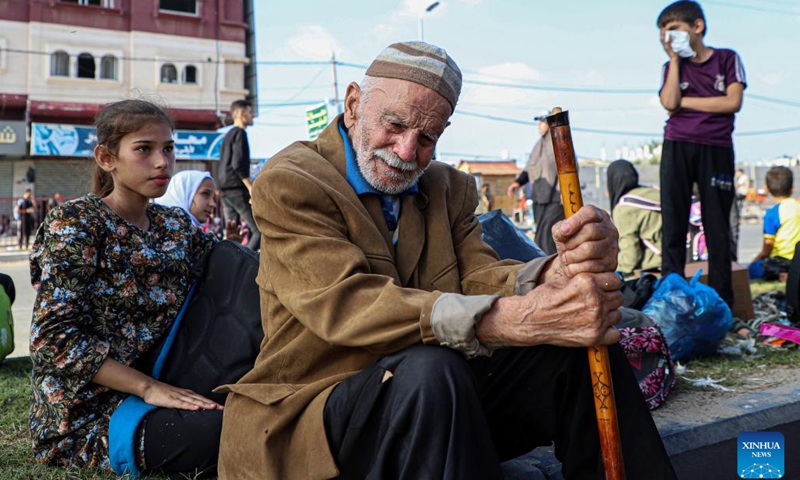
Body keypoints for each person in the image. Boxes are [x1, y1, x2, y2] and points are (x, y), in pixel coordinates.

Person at [218, 41, 676, 480]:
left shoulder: (447, 187)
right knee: (429, 369)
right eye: (394, 125)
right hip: (319, 412)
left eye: (427, 137)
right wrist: (508, 320)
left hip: (438, 406)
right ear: (354, 104)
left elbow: (478, 275)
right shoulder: (292, 181)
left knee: (574, 340)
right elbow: (346, 304)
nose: (406, 151)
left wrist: (555, 273)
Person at [29, 99, 225, 479]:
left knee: (267, 414)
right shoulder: (76, 223)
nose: (162, 162)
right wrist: (148, 388)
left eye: (168, 148)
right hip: (88, 415)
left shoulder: (175, 226)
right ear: (106, 158)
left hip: (171, 383)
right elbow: (52, 339)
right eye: (144, 149)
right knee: (232, 432)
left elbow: (230, 274)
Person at [657, 0, 746, 308]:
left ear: (697, 26)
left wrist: (687, 102)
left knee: (717, 226)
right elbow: (669, 103)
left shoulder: (726, 59)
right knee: (673, 222)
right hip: (677, 144)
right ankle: (671, 301)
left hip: (716, 147)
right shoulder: (670, 67)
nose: (669, 37)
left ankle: (723, 303)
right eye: (664, 33)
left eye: (675, 30)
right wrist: (676, 61)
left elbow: (732, 102)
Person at [507, 110, 564, 255]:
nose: (539, 125)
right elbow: (529, 168)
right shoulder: (538, 145)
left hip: (556, 199)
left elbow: (568, 167)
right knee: (541, 234)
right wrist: (517, 183)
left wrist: (565, 191)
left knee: (547, 235)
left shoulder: (558, 140)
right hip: (540, 198)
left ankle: (552, 267)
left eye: (542, 121)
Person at [606, 160, 662, 277]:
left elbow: (630, 256)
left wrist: (610, 269)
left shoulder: (624, 208)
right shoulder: (652, 193)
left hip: (654, 271)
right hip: (679, 261)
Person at [218, 99, 260, 251]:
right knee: (259, 231)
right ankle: (245, 261)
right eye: (250, 112)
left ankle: (232, 264)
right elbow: (238, 164)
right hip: (236, 189)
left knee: (232, 233)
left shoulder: (228, 134)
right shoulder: (240, 134)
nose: (252, 115)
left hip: (225, 190)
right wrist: (250, 186)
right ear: (241, 114)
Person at [748, 166, 800, 281]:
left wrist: (755, 260)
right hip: (798, 259)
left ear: (766, 189)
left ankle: (782, 274)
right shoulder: (797, 206)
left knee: (754, 268)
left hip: (783, 260)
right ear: (792, 189)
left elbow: (768, 247)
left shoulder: (773, 213)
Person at [730, 168, 749, 261]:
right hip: (739, 194)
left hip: (741, 193)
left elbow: (738, 184)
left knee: (739, 207)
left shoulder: (743, 177)